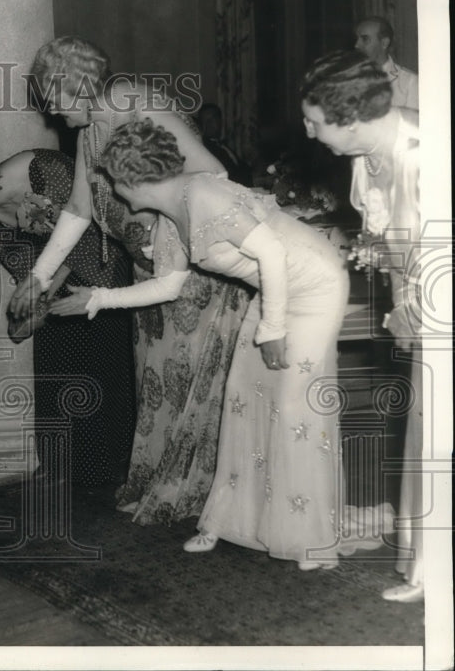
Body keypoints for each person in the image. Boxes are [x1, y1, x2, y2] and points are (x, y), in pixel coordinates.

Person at [52, 118, 350, 570]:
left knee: (294, 408)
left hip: (314, 284)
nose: (116, 193)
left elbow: (271, 251)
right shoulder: (172, 217)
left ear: (137, 180)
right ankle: (235, 521)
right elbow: (167, 286)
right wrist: (97, 297)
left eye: (115, 181)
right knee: (241, 398)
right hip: (274, 291)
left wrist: (272, 330)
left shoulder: (205, 194)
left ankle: (309, 536)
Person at [14, 36, 249, 524]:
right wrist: (36, 278)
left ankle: (190, 491)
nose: (52, 113)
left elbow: (213, 174)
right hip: (147, 276)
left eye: (52, 98)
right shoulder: (90, 130)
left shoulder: (134, 106)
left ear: (72, 85)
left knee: (188, 386)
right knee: (157, 385)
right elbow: (80, 208)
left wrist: (166, 238)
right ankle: (158, 483)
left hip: (190, 272)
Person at [0, 149, 136, 487]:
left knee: (101, 375)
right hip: (47, 292)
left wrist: (42, 286)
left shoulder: (44, 171)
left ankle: (108, 473)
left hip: (98, 276)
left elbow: (89, 232)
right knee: (54, 376)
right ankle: (58, 465)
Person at [300, 49, 423, 600]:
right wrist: (400, 306)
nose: (307, 132)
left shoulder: (424, 152)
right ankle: (429, 565)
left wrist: (419, 308)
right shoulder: (364, 156)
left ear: (350, 118)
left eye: (315, 121)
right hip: (417, 305)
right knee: (426, 436)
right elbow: (390, 243)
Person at [354, 16, 418, 111]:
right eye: (357, 39)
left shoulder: (409, 81)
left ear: (384, 43)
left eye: (365, 39)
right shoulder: (350, 78)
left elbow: (413, 124)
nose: (356, 45)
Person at [197, 103, 252, 187]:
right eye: (205, 121)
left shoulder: (222, 145)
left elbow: (240, 168)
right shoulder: (206, 149)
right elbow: (229, 177)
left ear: (220, 121)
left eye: (212, 119)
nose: (208, 124)